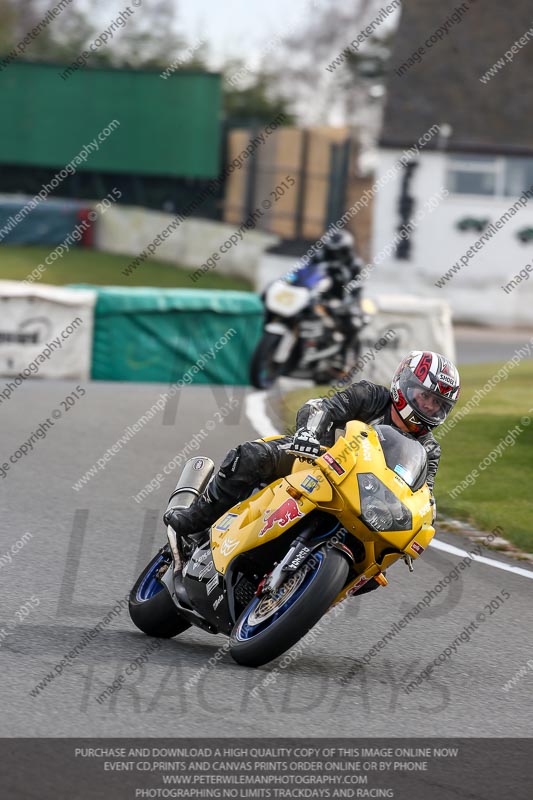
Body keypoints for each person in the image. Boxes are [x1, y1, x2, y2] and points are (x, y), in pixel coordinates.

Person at [165, 351, 460, 577]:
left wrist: (423, 523)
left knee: (376, 570)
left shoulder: (428, 449)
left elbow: (424, 493)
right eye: (425, 397)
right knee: (250, 456)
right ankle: (196, 520)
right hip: (316, 461)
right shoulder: (371, 397)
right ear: (405, 385)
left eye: (438, 404)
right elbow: (322, 407)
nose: (429, 407)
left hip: (363, 500)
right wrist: (308, 433)